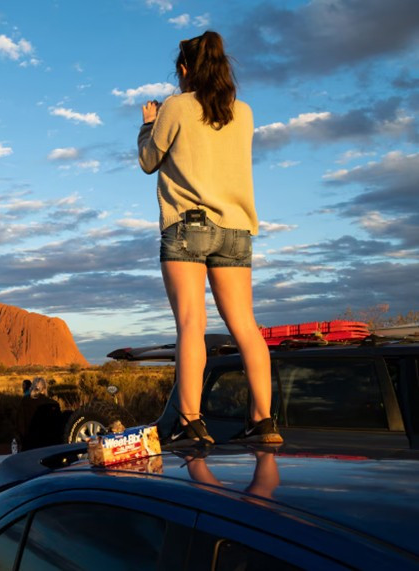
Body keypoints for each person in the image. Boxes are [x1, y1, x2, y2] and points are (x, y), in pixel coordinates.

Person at [137, 30, 282, 445]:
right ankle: (263, 422)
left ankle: (190, 422)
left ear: (185, 70)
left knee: (190, 324)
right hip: (236, 229)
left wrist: (148, 125)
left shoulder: (176, 107)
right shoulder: (245, 113)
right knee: (246, 328)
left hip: (188, 225)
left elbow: (150, 160)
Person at [17, 377, 63, 450]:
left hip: (29, 445)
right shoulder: (52, 404)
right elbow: (58, 427)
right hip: (47, 446)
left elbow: (20, 424)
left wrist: (23, 440)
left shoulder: (24, 401)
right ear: (44, 389)